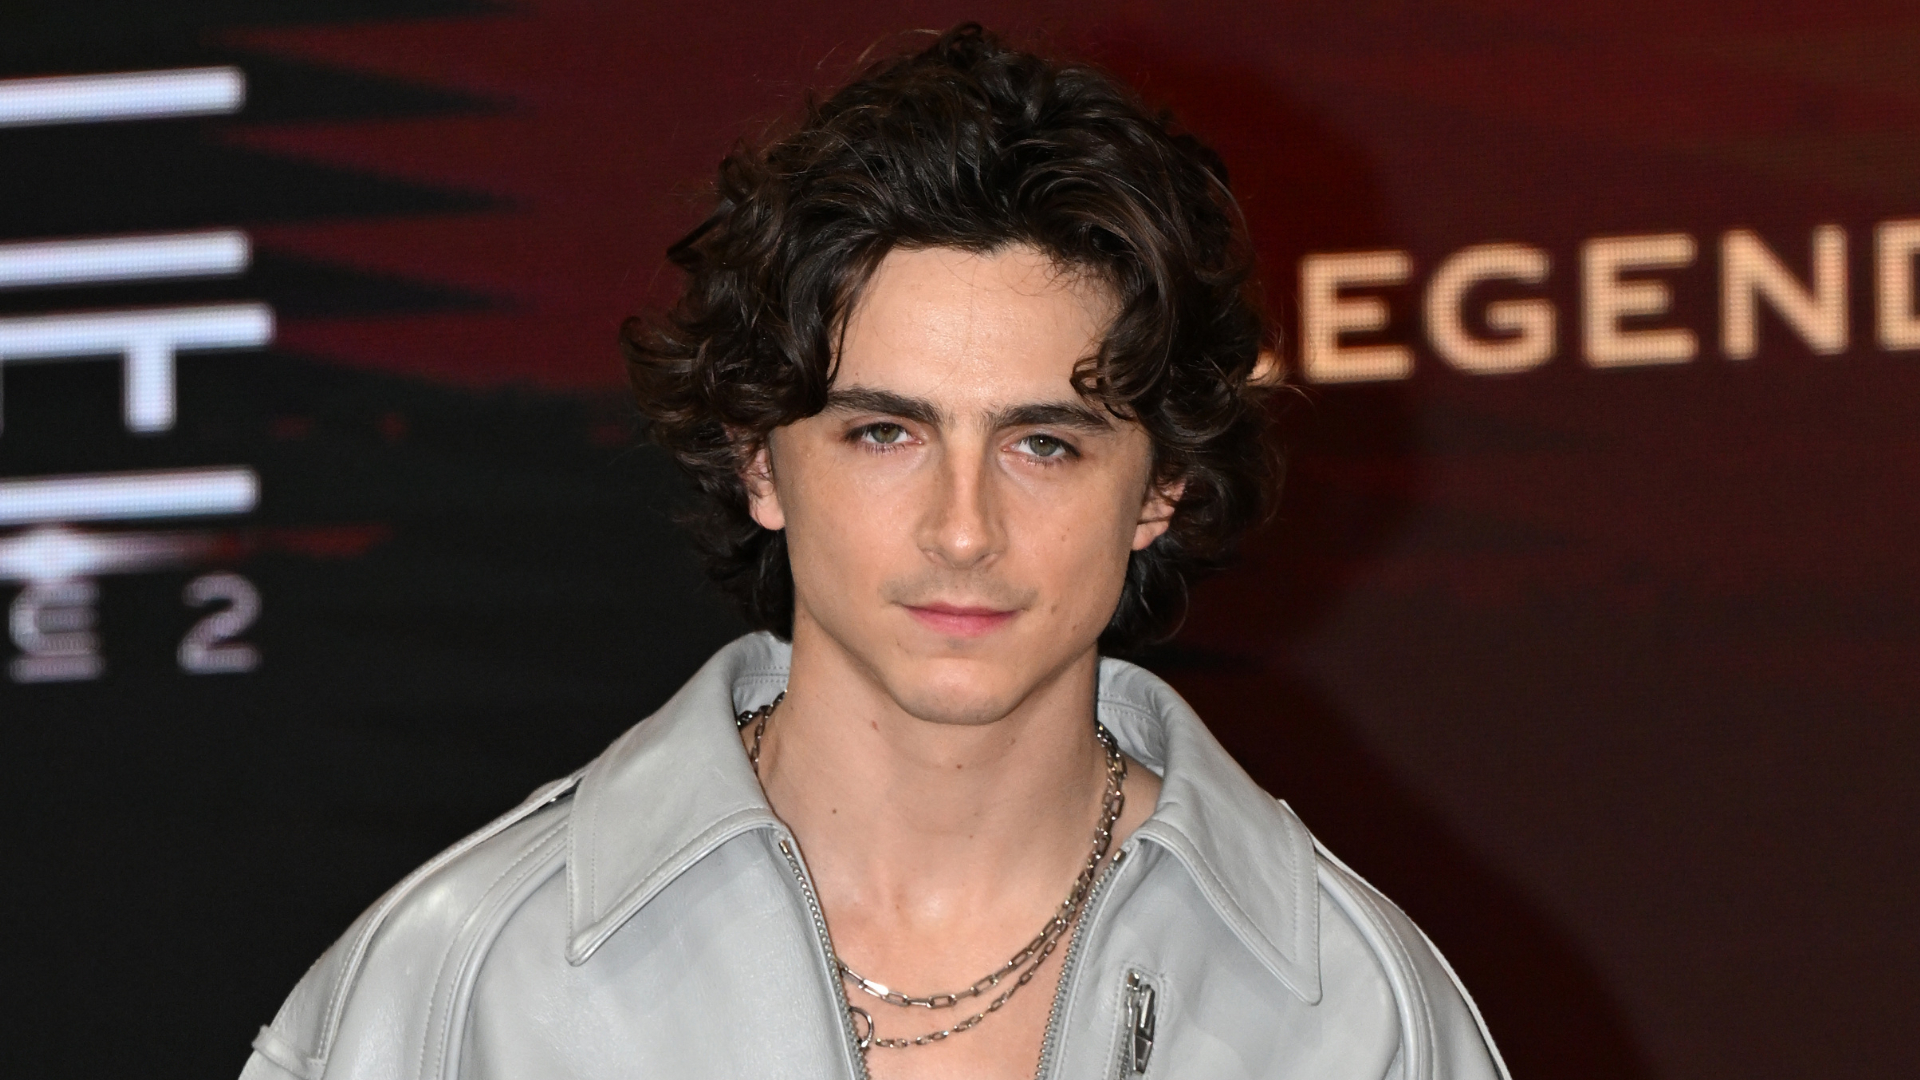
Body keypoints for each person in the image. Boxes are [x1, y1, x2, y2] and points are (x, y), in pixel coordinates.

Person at [239, 24, 1507, 1080]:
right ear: (759, 460)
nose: (964, 529)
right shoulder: (464, 985)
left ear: (1162, 485)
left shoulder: (1350, 1015)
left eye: (1045, 445)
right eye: (885, 433)